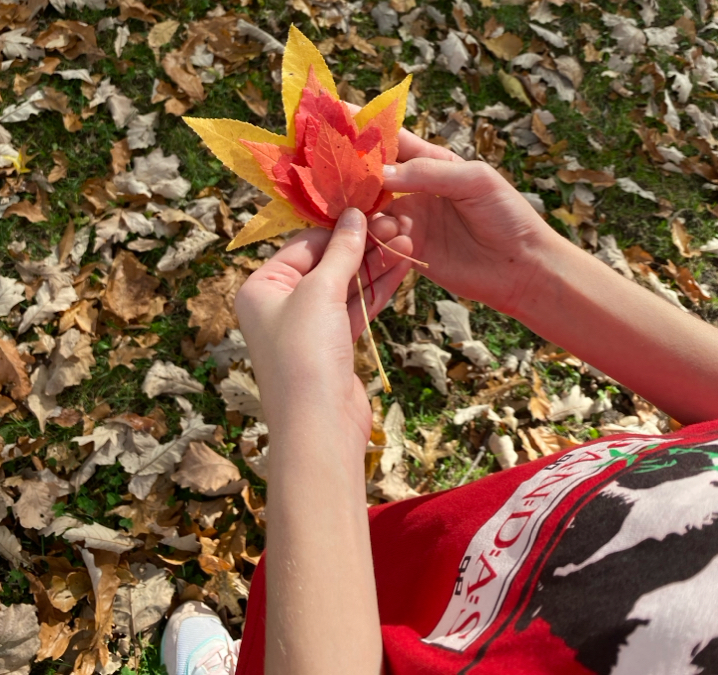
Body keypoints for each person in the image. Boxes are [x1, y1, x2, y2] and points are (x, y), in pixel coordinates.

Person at [162, 128, 718, 675]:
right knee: (318, 599)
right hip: (436, 562)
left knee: (300, 629)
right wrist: (526, 268)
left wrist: (314, 416)